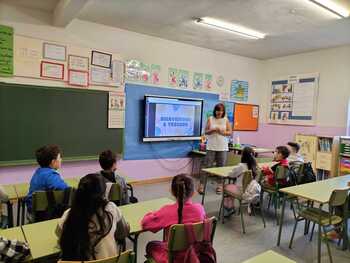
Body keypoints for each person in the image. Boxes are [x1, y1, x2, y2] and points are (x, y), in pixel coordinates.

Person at [57, 173, 129, 261]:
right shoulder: (111, 209)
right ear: (102, 195)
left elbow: (59, 234)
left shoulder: (68, 215)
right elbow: (122, 233)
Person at [142, 174, 205, 263]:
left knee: (151, 245)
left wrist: (151, 214)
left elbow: (145, 224)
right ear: (193, 192)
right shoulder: (200, 209)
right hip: (195, 255)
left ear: (172, 191)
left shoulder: (167, 211)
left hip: (174, 259)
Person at [199, 103, 232, 194]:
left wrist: (223, 132)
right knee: (207, 166)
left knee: (221, 167)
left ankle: (220, 186)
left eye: (221, 111)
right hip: (211, 146)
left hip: (222, 147)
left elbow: (230, 132)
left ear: (223, 111)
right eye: (218, 110)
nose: (219, 112)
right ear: (215, 111)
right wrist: (212, 130)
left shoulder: (226, 120)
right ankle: (202, 185)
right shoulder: (210, 119)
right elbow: (205, 131)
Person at [25, 145, 68, 214]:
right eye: (59, 157)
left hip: (32, 210)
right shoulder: (51, 176)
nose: (61, 160)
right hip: (43, 213)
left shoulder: (39, 171)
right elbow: (68, 191)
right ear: (53, 162)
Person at [223, 147, 261, 216]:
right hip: (252, 191)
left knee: (226, 187)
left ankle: (229, 208)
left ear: (243, 155)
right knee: (232, 188)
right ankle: (231, 206)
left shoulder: (241, 166)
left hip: (242, 191)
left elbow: (231, 175)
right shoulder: (256, 166)